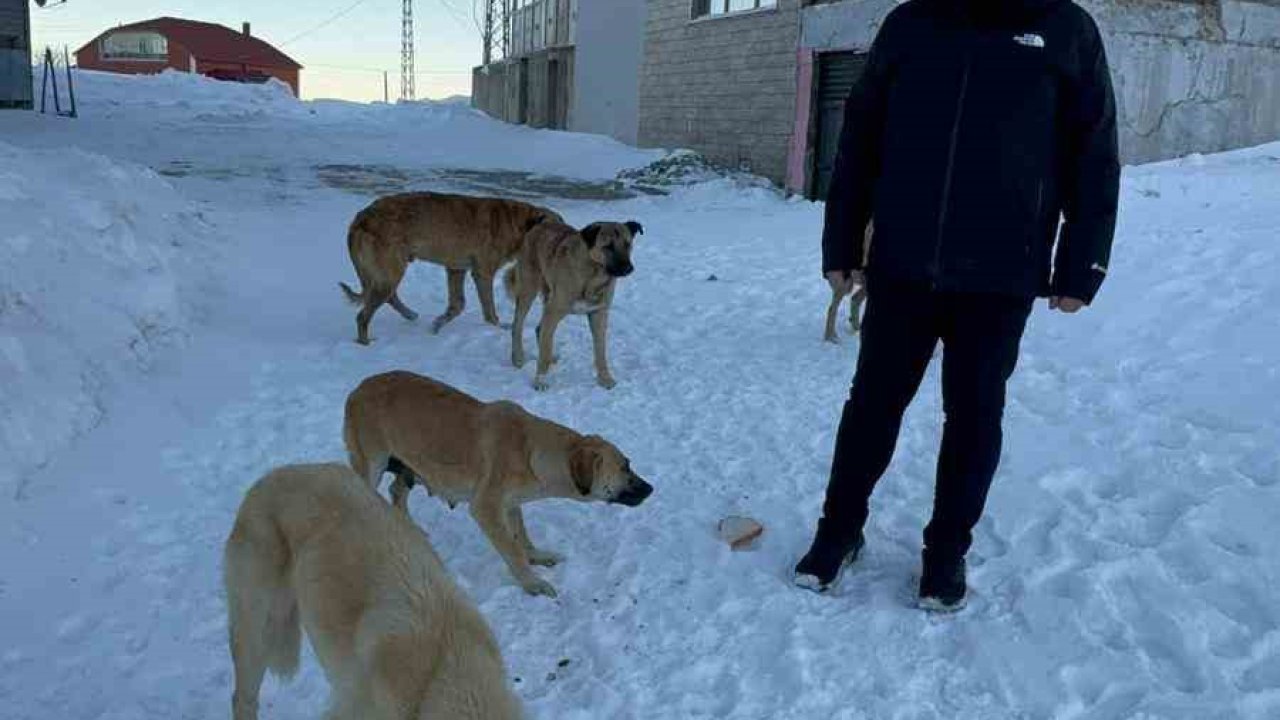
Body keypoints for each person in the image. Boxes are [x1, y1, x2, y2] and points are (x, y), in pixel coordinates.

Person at [794, 0, 1120, 611]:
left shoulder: (1065, 29)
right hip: (903, 265)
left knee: (973, 419)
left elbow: (1093, 153)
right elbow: (860, 138)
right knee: (872, 407)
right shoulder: (911, 22)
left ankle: (945, 551)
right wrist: (842, 241)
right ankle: (839, 530)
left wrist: (1081, 265)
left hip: (1001, 274)